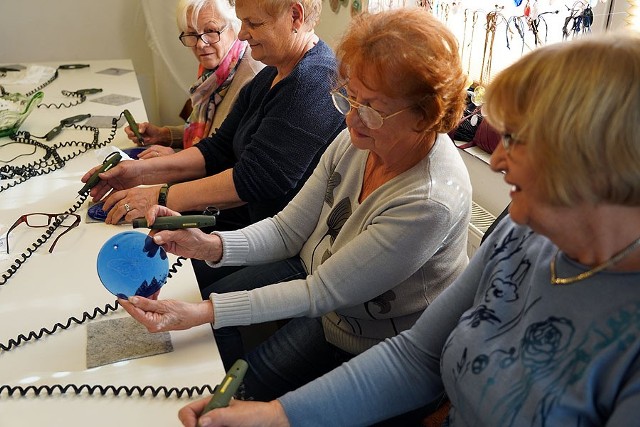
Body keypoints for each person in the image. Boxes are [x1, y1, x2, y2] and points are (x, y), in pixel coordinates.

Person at [177, 30, 640, 427]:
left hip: (353, 324)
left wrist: (212, 313)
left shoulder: (431, 198)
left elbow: (327, 295)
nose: (497, 161)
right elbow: (416, 356)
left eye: (516, 141)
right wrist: (277, 415)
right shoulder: (521, 233)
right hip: (343, 321)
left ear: (597, 159)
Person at [120, 6, 472, 409]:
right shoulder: (360, 139)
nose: (353, 119)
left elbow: (320, 292)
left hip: (376, 343)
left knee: (234, 392)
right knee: (216, 355)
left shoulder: (428, 200)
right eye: (350, 98)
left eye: (372, 108)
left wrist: (203, 311)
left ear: (426, 115)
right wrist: (208, 245)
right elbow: (287, 230)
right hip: (329, 307)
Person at [81, 0, 345, 233]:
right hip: (244, 223)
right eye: (242, 22)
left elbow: (253, 180)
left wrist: (158, 196)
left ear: (295, 17)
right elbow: (217, 149)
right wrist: (139, 173)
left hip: (265, 236)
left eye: (253, 23)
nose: (242, 33)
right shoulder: (271, 74)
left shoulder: (312, 82)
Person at [130, 0, 264, 159]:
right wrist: (163, 135)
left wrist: (175, 161)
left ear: (235, 26)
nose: (200, 44)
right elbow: (207, 131)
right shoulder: (214, 72)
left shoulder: (252, 78)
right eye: (192, 34)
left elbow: (235, 161)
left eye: (211, 30)